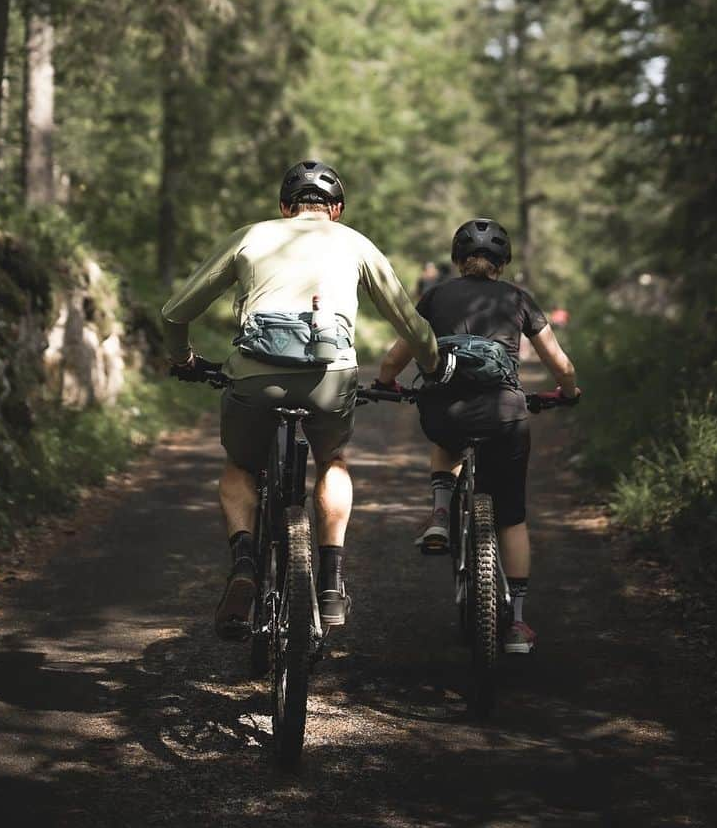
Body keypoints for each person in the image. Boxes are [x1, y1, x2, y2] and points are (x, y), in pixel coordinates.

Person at [161, 160, 439, 641]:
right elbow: (410, 324)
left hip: (255, 378)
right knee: (332, 459)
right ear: (337, 209)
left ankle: (245, 562)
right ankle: (329, 581)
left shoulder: (250, 236)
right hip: (330, 380)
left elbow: (176, 310)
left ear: (285, 208)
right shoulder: (355, 242)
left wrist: (183, 358)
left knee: (240, 468)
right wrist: (435, 369)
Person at [373, 216, 580, 655]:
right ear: (502, 263)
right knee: (512, 517)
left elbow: (396, 355)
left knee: (446, 435)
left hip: (446, 413)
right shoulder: (519, 299)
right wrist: (566, 391)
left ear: (457, 259)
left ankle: (440, 515)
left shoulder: (436, 296)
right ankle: (518, 624)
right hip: (505, 417)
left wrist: (387, 382)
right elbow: (559, 363)